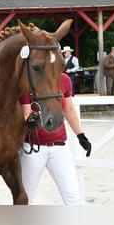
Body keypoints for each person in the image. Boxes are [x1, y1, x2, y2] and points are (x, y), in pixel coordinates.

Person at [19, 73, 91, 205]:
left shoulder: (64, 79)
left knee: (74, 198)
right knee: (27, 198)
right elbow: (26, 113)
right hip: (35, 147)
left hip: (60, 147)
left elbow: (68, 109)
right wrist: (30, 121)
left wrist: (80, 135)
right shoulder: (27, 81)